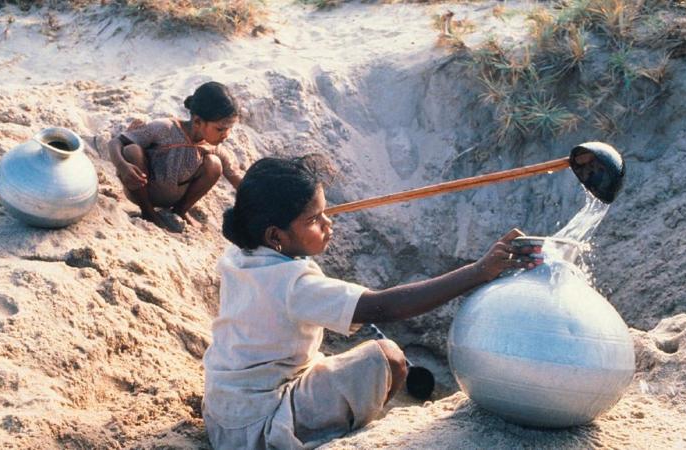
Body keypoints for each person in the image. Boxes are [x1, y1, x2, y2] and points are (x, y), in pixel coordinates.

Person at [203, 155, 541, 449]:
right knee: (388, 358)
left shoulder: (241, 252)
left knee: (337, 361)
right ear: (275, 236)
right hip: (260, 429)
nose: (328, 223)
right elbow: (385, 307)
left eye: (325, 212)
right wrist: (478, 272)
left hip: (226, 414)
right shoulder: (294, 285)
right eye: (314, 220)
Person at [108, 81, 244, 230]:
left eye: (229, 129)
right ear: (198, 121)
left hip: (175, 197)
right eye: (220, 129)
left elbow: (237, 179)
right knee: (131, 150)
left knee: (214, 164)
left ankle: (179, 210)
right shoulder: (164, 128)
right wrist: (122, 166)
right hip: (144, 190)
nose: (226, 135)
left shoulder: (213, 147)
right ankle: (148, 212)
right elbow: (116, 142)